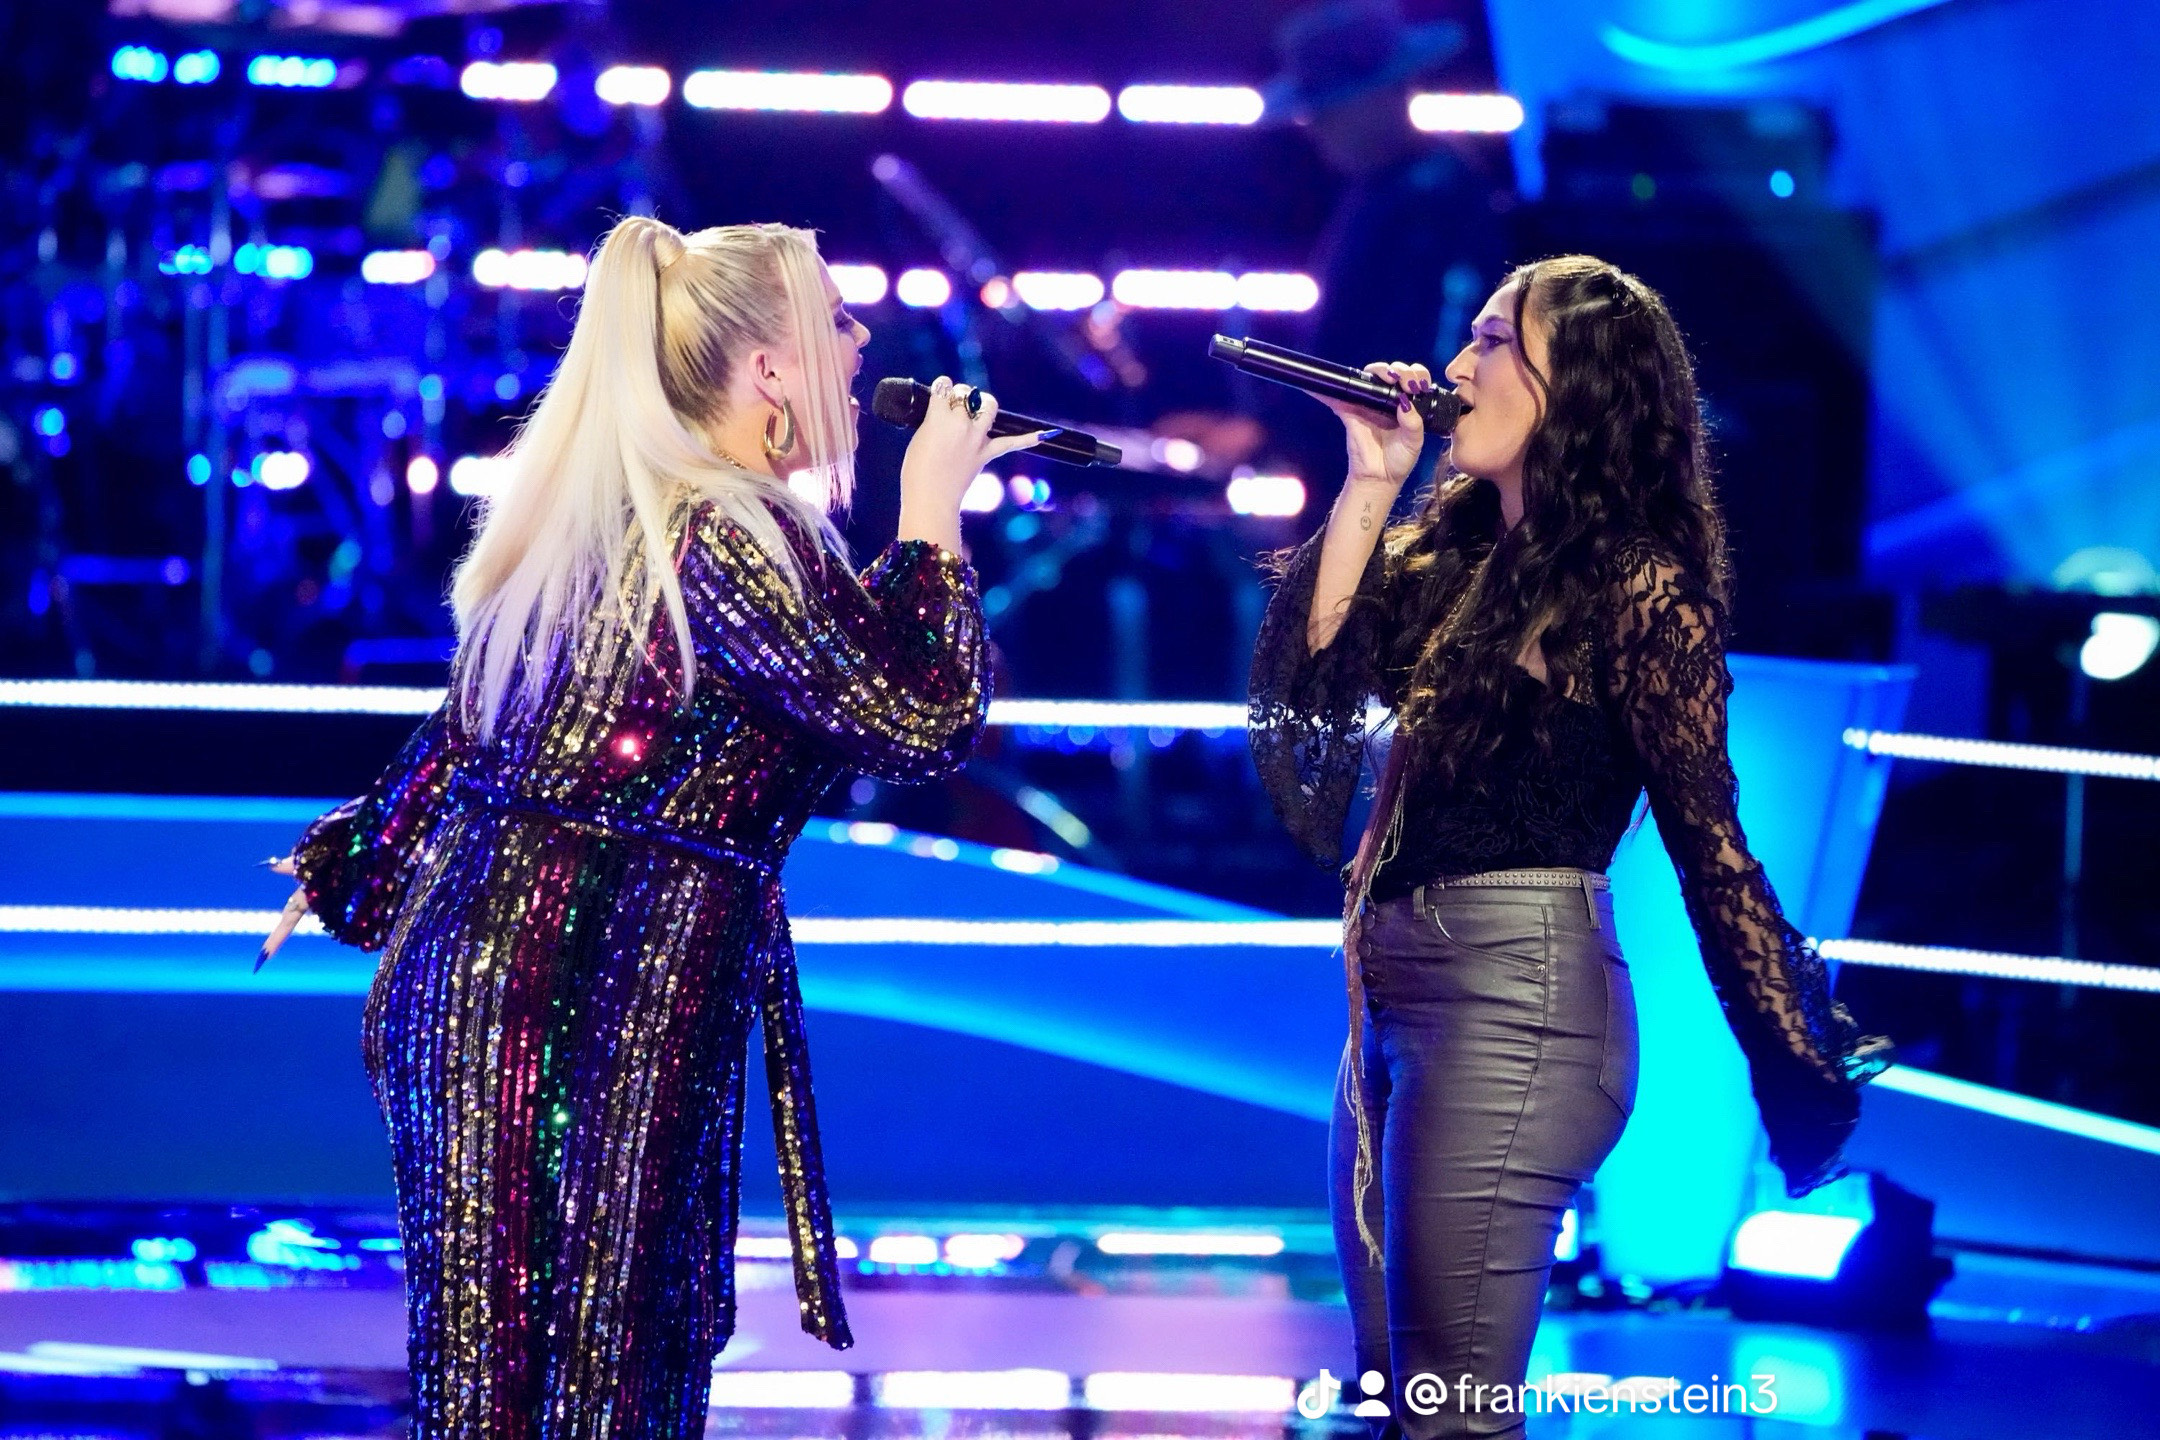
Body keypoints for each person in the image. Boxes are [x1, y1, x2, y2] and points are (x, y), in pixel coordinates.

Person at [259, 215, 1039, 1439]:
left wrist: (365, 853)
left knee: (567, 1365)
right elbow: (914, 720)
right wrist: (932, 514)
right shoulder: (724, 530)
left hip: (548, 974)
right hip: (572, 984)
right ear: (771, 366)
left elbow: (490, 729)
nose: (861, 342)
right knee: (571, 1372)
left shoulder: (649, 512)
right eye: (836, 319)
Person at [1248, 255, 1894, 1438]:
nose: (1453, 368)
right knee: (1395, 1392)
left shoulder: (1640, 591)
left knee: (1452, 1413)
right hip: (1383, 1001)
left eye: (1491, 341)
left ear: (1577, 386)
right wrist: (1371, 476)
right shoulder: (1458, 560)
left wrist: (1791, 1054)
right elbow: (1313, 681)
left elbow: (1712, 841)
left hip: (1517, 1004)